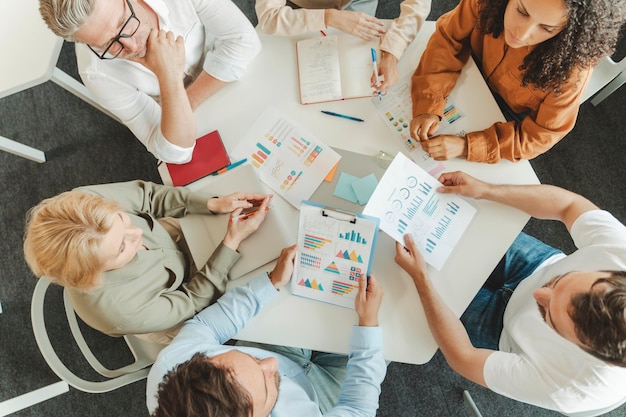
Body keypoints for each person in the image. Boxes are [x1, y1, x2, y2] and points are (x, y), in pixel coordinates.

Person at [394, 170, 626, 416]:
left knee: (402, 284)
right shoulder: (620, 252)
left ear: (584, 349)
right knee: (438, 225)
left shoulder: (572, 388)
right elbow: (569, 205)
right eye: (560, 282)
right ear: (613, 274)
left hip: (500, 328)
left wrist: (422, 280)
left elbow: (463, 357)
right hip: (538, 264)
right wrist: (486, 189)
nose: (538, 294)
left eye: (549, 317)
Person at [146, 245, 386, 416]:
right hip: (323, 401)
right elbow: (357, 409)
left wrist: (270, 282)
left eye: (251, 360)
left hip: (278, 345)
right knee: (387, 334)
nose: (271, 363)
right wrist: (368, 323)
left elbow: (206, 326)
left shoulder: (173, 366)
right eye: (264, 381)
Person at [24, 180, 272, 343]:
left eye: (124, 220)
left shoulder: (83, 206)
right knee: (264, 306)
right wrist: (230, 243)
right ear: (95, 274)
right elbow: (192, 300)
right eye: (122, 247)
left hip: (175, 241)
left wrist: (211, 204)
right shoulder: (119, 310)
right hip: (181, 305)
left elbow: (149, 197)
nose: (139, 234)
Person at [38, 0, 262, 164]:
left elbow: (244, 41)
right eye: (109, 44)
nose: (133, 47)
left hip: (222, 64)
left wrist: (183, 103)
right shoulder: (96, 72)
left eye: (124, 22)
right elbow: (175, 153)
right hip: (191, 102)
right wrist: (169, 77)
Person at [410, 0, 626, 163]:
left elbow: (540, 136)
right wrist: (428, 102)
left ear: (568, 33)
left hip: (506, 117)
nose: (521, 34)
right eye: (521, 11)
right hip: (469, 69)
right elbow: (448, 38)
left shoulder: (571, 73)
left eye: (546, 28)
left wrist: (467, 146)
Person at [255, 0, 432, 92]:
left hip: (359, 3)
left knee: (355, 71)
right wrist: (327, 17)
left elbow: (418, 4)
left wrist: (392, 52)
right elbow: (269, 18)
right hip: (306, 8)